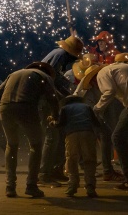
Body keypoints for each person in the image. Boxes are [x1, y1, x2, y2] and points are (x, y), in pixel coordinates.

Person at [0, 61, 59, 198]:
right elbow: (53, 98)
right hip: (26, 108)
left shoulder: (13, 74)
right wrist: (55, 116)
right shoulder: (45, 77)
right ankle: (31, 185)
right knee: (36, 145)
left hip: (5, 108)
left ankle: (10, 186)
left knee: (12, 145)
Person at [39, 35, 84, 184]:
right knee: (52, 136)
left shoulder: (59, 55)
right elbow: (50, 77)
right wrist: (68, 91)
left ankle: (56, 170)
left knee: (59, 135)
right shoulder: (59, 55)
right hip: (45, 99)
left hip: (49, 98)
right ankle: (44, 175)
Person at [74, 64, 124, 182]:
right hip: (88, 118)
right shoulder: (88, 91)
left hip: (94, 116)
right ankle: (106, 171)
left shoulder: (98, 86)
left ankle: (106, 170)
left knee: (106, 138)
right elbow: (91, 109)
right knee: (104, 138)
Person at [49, 95, 100, 197]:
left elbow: (61, 123)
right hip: (88, 133)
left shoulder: (65, 108)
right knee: (89, 159)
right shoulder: (86, 107)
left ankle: (72, 185)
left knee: (71, 159)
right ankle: (90, 186)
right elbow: (96, 122)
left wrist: (52, 122)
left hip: (72, 134)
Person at [93, 53, 128, 190]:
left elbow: (109, 91)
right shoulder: (120, 68)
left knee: (117, 137)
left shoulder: (102, 73)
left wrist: (97, 109)